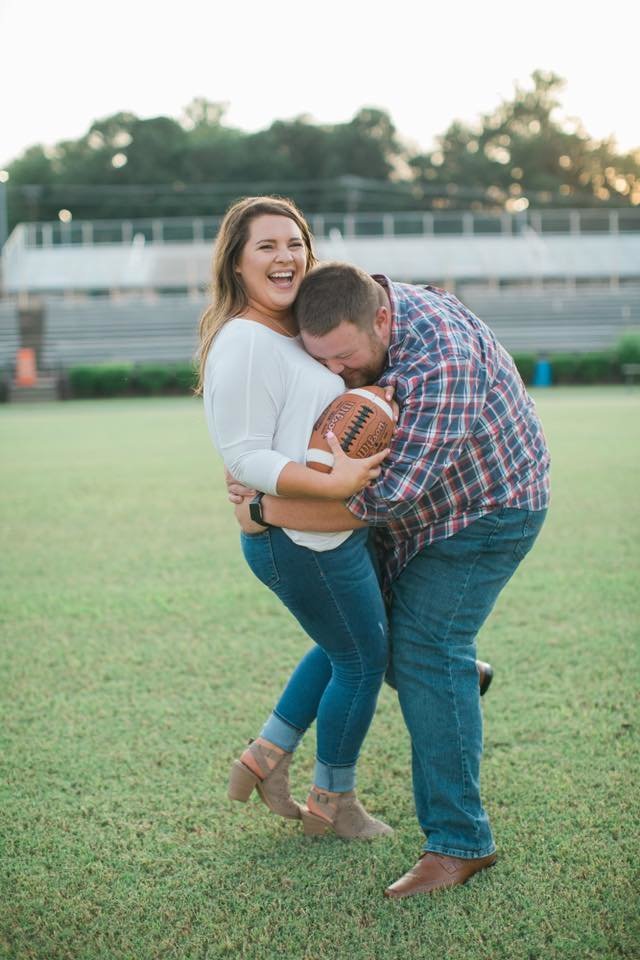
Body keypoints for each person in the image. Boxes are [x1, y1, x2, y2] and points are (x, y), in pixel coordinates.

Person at [230, 261, 550, 897]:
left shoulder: (442, 363)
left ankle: (461, 843)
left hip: (487, 510)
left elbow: (386, 499)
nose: (339, 377)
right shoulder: (351, 308)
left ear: (382, 318)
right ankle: (452, 683)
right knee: (362, 633)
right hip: (426, 509)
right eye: (324, 363)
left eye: (346, 360)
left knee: (429, 650)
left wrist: (263, 507)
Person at [198, 196, 395, 839]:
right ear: (236, 262)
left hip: (320, 533)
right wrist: (327, 481)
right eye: (266, 246)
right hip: (300, 538)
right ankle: (332, 805)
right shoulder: (246, 341)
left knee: (343, 649)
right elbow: (244, 454)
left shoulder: (293, 330)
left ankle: (264, 758)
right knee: (362, 661)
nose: (285, 257)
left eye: (294, 244)